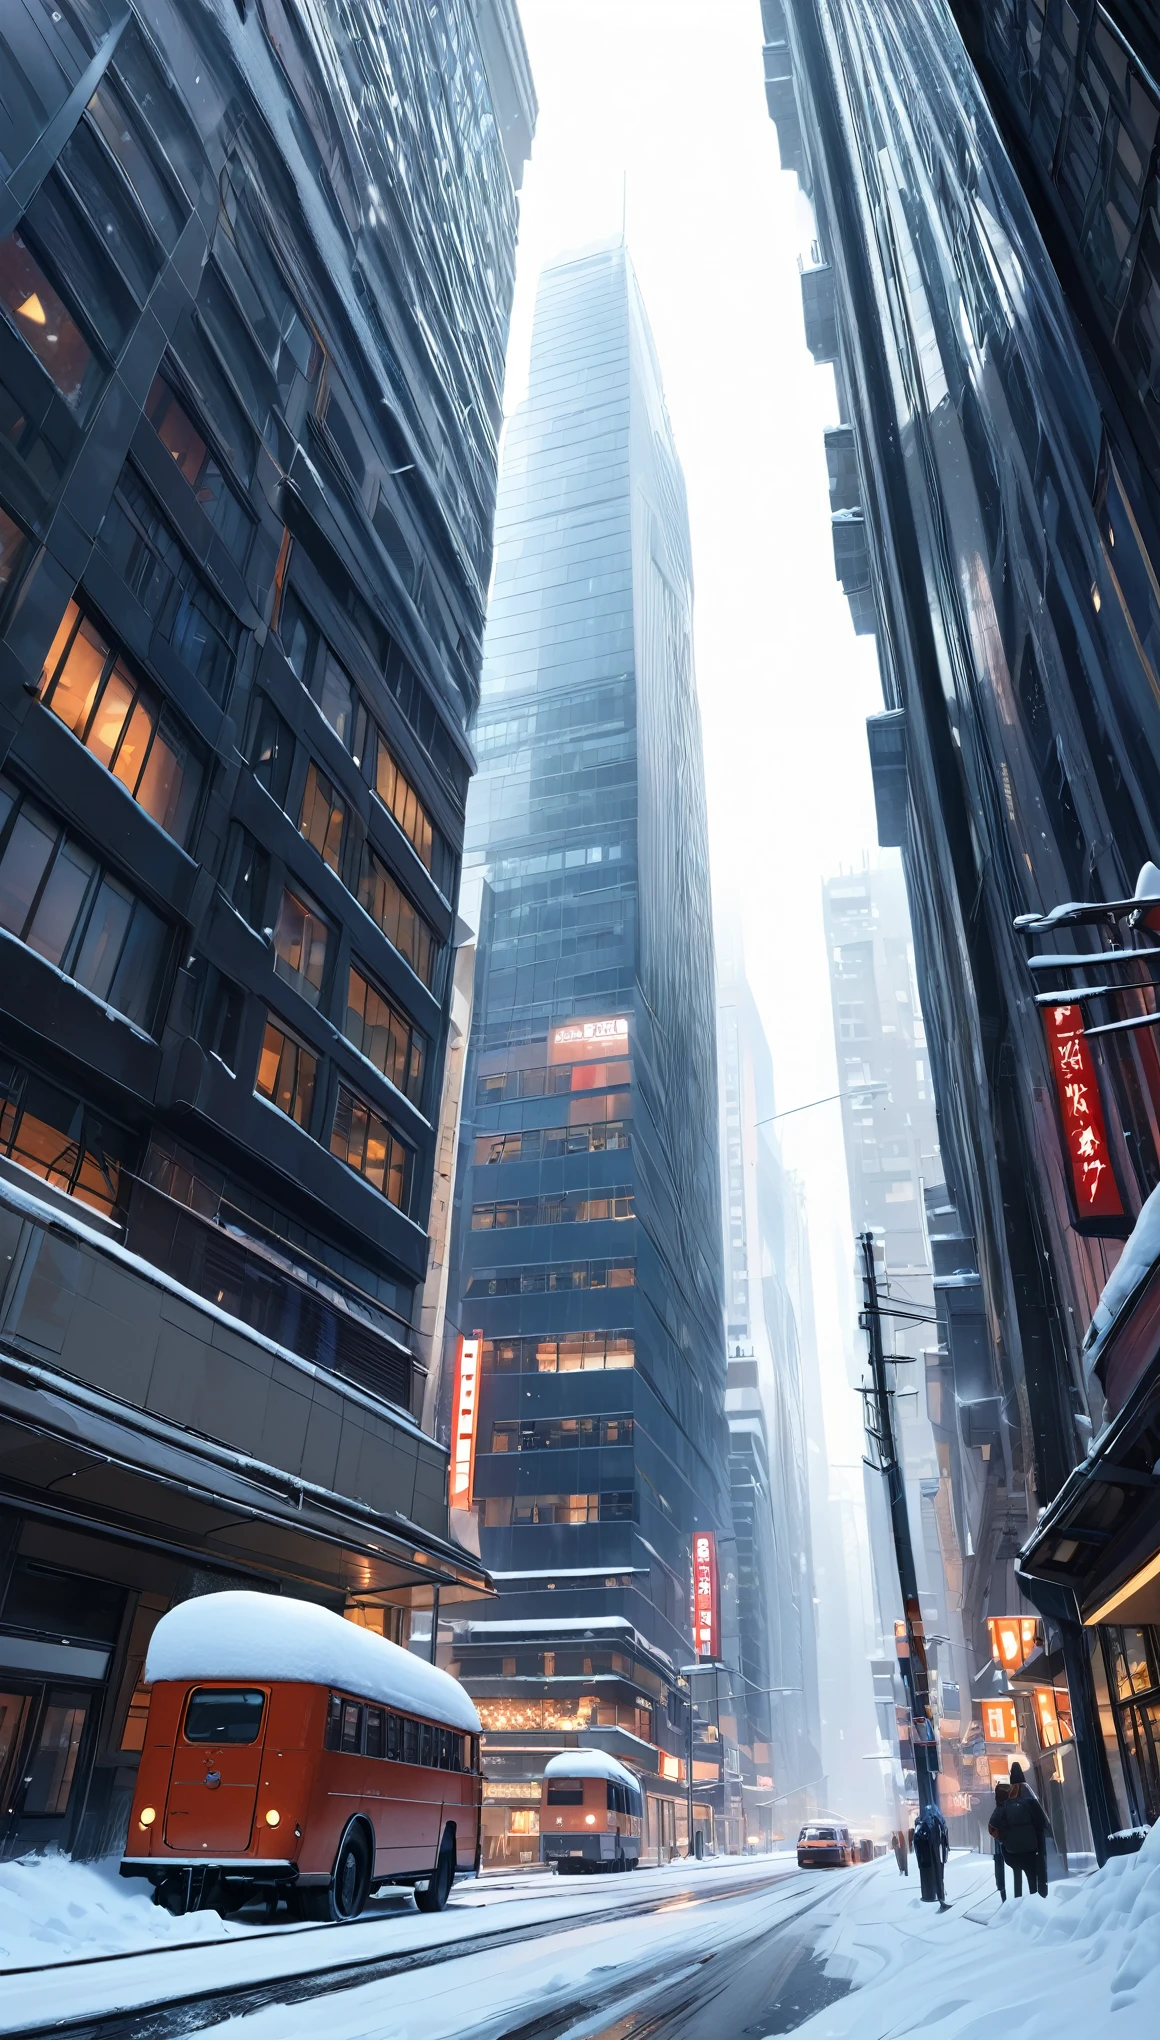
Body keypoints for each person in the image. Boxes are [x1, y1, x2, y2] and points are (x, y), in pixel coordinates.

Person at [989, 1762, 1049, 1896]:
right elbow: (1043, 1823)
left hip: (1011, 1852)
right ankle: (1036, 1898)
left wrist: (1003, 1839)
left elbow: (992, 1827)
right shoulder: (1031, 1800)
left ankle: (1017, 1899)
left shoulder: (1004, 1803)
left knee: (1017, 1875)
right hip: (1031, 1850)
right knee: (1032, 1877)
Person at [912, 1803, 951, 1910]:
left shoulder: (928, 1823)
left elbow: (944, 1835)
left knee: (938, 1874)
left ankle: (940, 1896)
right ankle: (940, 1897)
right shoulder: (930, 1823)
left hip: (934, 1854)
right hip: (933, 1855)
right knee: (938, 1874)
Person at [991, 1781, 1009, 1901]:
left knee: (1000, 1869)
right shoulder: (1018, 1805)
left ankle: (1003, 1895)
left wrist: (1001, 1839)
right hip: (1021, 1848)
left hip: (1003, 1847)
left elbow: (991, 1828)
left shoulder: (999, 1810)